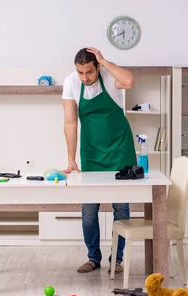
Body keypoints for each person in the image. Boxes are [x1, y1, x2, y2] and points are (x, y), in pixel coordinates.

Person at [62, 47, 137, 274]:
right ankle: (93, 258)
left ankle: (117, 260)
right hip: (92, 153)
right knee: (88, 211)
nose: (85, 77)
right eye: (80, 72)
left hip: (120, 150)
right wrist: (71, 159)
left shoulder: (109, 77)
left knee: (121, 209)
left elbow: (129, 81)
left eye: (89, 72)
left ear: (98, 68)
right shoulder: (71, 82)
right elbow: (70, 123)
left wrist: (104, 60)